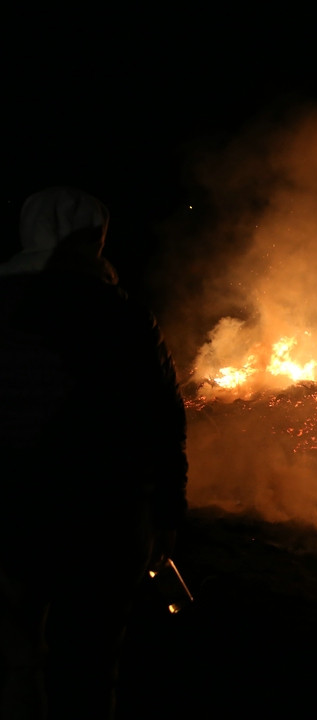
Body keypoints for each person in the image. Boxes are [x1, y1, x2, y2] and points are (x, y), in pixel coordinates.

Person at [0, 186, 188, 719]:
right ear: (95, 240)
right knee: (89, 664)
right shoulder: (123, 314)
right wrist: (167, 512)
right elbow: (161, 418)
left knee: (15, 660)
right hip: (104, 517)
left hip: (11, 512)